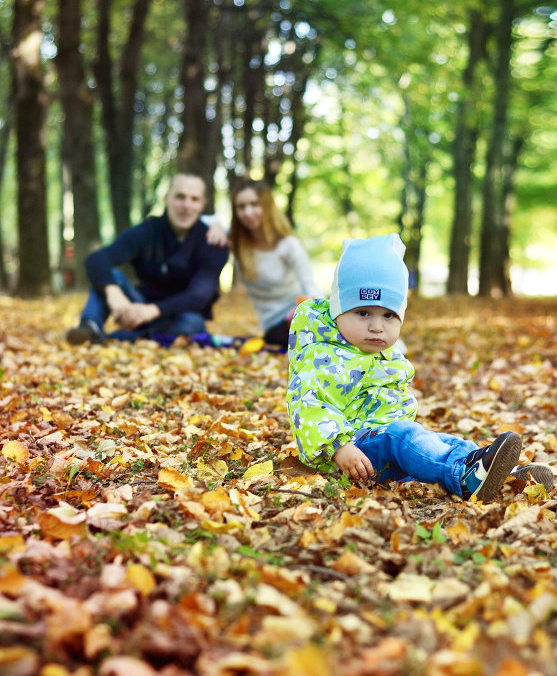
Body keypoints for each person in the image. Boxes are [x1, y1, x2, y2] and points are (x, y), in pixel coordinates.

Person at [286, 233, 554, 500]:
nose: (377, 326)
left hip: (378, 441)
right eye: (363, 312)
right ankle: (463, 478)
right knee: (402, 435)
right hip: (349, 457)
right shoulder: (322, 356)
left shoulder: (384, 355)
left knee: (440, 441)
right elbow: (307, 404)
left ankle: (500, 474)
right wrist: (337, 447)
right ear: (338, 310)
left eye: (389, 315)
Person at [66, 173, 229, 344]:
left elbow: (198, 295)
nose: (186, 205)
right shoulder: (148, 231)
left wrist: (153, 310)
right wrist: (114, 294)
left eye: (194, 199)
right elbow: (96, 259)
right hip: (138, 304)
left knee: (193, 324)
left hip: (180, 315)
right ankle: (90, 327)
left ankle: (124, 337)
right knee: (111, 276)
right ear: (167, 198)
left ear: (203, 204)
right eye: (180, 197)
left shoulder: (213, 242)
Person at [229, 178, 322, 348]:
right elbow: (203, 221)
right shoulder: (236, 240)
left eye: (254, 204)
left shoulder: (287, 244)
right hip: (273, 325)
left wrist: (305, 309)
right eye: (241, 207)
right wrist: (215, 227)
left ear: (267, 205)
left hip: (296, 314)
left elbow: (310, 287)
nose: (248, 212)